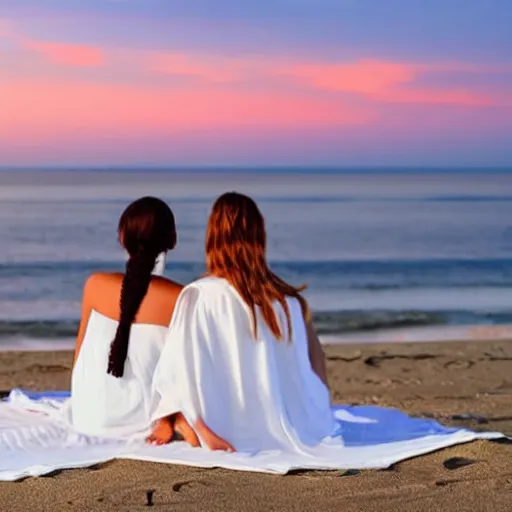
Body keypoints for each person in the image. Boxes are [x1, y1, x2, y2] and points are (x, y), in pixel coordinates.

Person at [149, 192, 333, 453]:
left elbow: (178, 369)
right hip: (304, 423)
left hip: (220, 424)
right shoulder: (289, 300)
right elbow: (316, 368)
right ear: (259, 236)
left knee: (171, 367)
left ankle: (185, 422)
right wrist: (319, 411)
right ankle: (183, 421)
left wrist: (201, 428)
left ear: (214, 236)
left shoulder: (200, 294)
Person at [63, 196, 197, 443]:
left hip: (87, 413)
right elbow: (187, 368)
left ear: (123, 238)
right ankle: (171, 416)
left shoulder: (95, 284)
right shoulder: (181, 298)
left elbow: (80, 354)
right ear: (173, 240)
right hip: (140, 419)